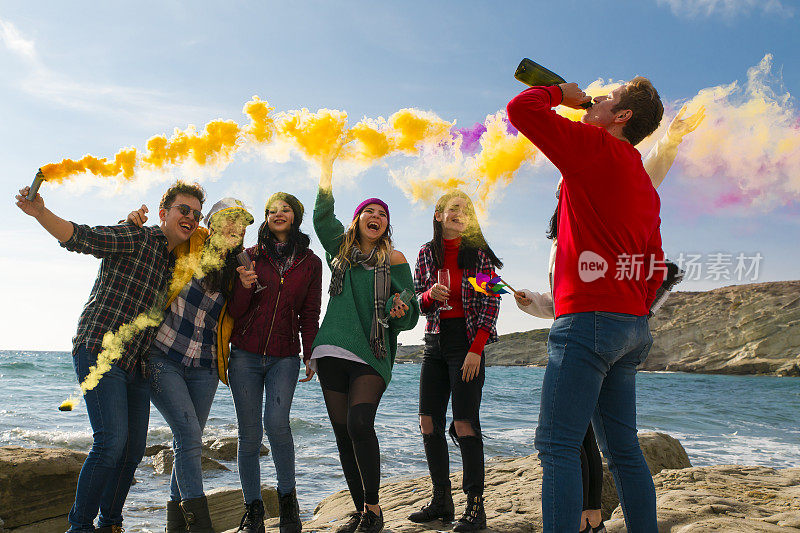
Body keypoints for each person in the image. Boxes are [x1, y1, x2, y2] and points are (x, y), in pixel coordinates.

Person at [514, 106, 704, 533]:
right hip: (630, 327)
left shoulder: (598, 150)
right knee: (622, 451)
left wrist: (559, 93)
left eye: (605, 98)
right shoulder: (637, 182)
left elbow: (522, 110)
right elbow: (652, 267)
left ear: (621, 115)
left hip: (590, 326)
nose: (591, 102)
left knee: (558, 446)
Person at [15, 181, 205, 533]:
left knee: (132, 451)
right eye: (183, 209)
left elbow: (217, 235)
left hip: (136, 365)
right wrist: (40, 211)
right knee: (111, 442)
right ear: (163, 213)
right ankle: (80, 526)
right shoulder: (135, 236)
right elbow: (82, 237)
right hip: (99, 349)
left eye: (196, 213)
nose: (190, 217)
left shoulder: (174, 262)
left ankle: (111, 524)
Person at [127, 198, 254, 533]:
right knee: (188, 434)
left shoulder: (238, 264)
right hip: (163, 356)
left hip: (205, 367)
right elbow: (162, 236)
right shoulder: (188, 245)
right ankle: (202, 527)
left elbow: (238, 315)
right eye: (228, 220)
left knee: (188, 441)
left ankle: (175, 527)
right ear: (210, 223)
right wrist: (132, 223)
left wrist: (243, 287)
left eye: (240, 224)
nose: (234, 229)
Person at [311, 142, 420, 533]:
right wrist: (326, 169)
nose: (375, 217)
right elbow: (323, 216)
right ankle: (362, 511)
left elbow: (409, 308)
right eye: (368, 212)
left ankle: (374, 508)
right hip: (331, 350)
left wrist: (400, 307)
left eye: (382, 215)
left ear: (386, 227)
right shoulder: (338, 251)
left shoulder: (394, 259)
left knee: (360, 423)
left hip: (371, 352)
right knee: (343, 434)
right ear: (356, 221)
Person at [226, 192, 322, 533]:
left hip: (284, 356)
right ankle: (252, 511)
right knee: (249, 435)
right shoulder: (248, 256)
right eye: (271, 211)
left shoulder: (311, 262)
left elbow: (310, 312)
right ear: (266, 218)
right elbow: (235, 311)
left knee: (277, 425)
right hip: (244, 355)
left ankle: (287, 502)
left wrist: (310, 351)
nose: (278, 215)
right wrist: (243, 285)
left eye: (285, 210)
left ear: (294, 216)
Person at [408, 190, 502, 531]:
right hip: (434, 341)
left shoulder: (477, 254)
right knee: (427, 421)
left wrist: (477, 348)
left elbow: (492, 302)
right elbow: (418, 300)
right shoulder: (426, 253)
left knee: (464, 424)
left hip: (466, 343)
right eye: (453, 209)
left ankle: (475, 507)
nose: (459, 214)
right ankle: (441, 501)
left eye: (466, 210)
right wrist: (431, 295)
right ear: (439, 215)